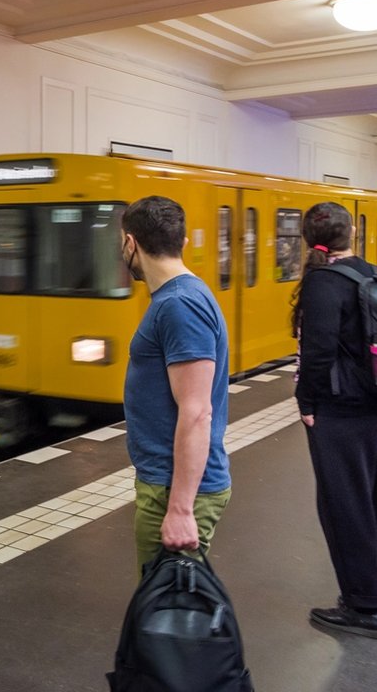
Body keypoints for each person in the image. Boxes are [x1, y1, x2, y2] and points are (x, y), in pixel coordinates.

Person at [121, 196, 231, 575]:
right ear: (182, 243)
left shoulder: (180, 304)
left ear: (130, 243)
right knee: (170, 608)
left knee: (168, 613)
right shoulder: (178, 299)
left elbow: (197, 412)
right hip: (166, 482)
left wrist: (181, 509)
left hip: (174, 489)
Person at [292, 201, 377, 637]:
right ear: (353, 235)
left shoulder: (322, 282)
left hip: (340, 411)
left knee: (344, 504)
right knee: (370, 499)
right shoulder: (371, 272)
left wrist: (306, 403)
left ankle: (364, 604)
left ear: (310, 240)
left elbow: (318, 352)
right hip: (373, 405)